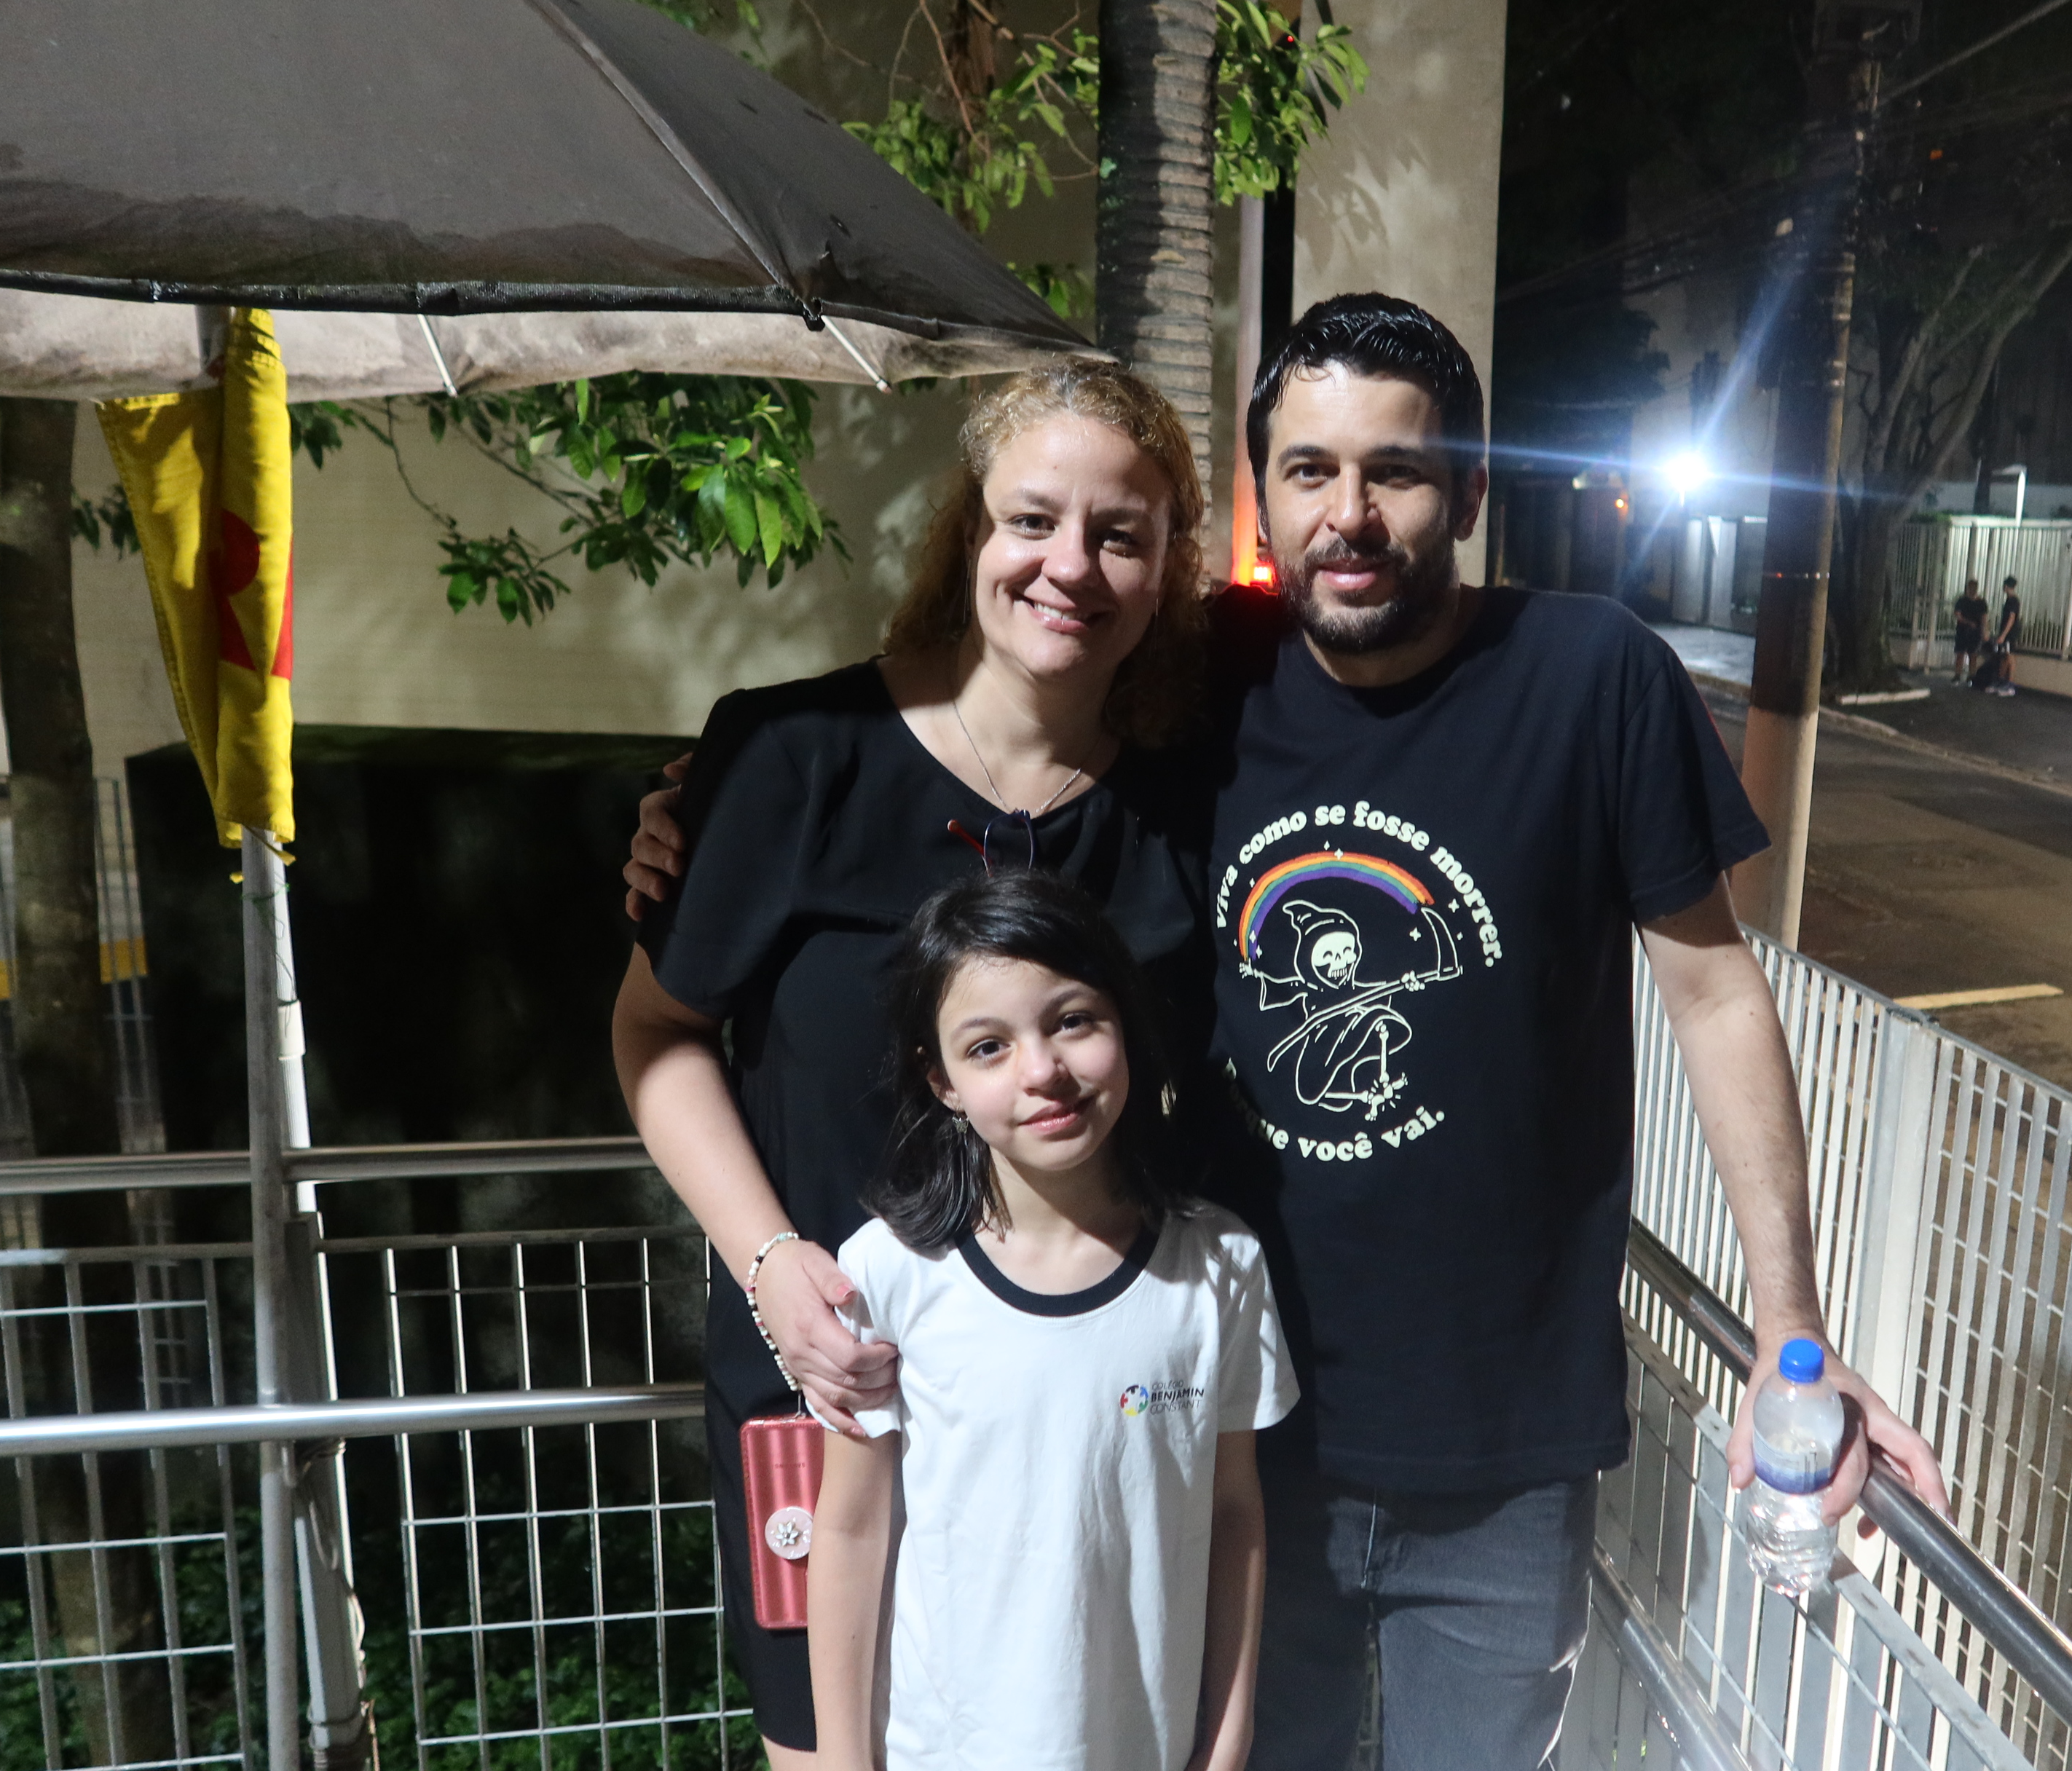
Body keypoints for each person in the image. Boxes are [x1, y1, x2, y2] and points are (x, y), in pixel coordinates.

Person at [629, 295, 1949, 1770]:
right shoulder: (1195, 690)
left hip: (1488, 1439)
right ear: (1264, 496)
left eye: (1398, 470)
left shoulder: (1574, 675)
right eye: (1310, 470)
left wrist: (1790, 1328)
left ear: (1471, 490)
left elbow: (1714, 993)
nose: (1352, 513)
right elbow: (912, 781)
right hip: (1203, 1420)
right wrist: (711, 797)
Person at [610, 358, 1220, 1768]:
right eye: (1032, 520)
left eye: (1119, 535)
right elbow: (655, 1032)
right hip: (824, 1386)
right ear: (968, 534)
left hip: (1074, 1431)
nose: (1069, 565)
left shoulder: (1188, 803)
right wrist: (773, 1268)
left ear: (1166, 570)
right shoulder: (791, 756)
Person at [807, 868, 1294, 1771]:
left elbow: (1234, 1513)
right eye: (988, 1046)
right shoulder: (887, 1270)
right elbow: (852, 1526)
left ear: (1125, 1022)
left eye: (1072, 1020)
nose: (1042, 1071)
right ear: (942, 1079)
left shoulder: (1220, 1264)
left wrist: (1228, 1738)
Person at [1988, 575, 2022, 695]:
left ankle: (2010, 684)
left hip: (2010, 634)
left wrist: (2004, 635)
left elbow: (2011, 619)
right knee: (2004, 657)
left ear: (2007, 586)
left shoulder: (2013, 601)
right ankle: (2001, 681)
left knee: (2009, 656)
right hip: (2007, 633)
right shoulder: (2010, 600)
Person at [1951, 577, 1988, 685]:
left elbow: (1984, 618)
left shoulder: (1979, 602)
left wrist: (1984, 631)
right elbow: (1958, 615)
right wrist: (1971, 623)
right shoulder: (1963, 601)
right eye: (1971, 588)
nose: (1972, 590)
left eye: (1973, 588)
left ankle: (1970, 676)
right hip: (1964, 631)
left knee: (1972, 655)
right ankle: (1960, 675)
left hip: (1973, 632)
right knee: (1962, 654)